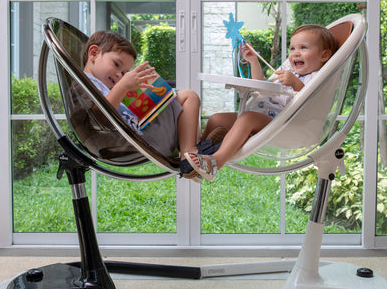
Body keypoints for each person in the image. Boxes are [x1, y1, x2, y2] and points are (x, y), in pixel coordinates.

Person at [185, 24, 338, 181]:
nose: (295, 53)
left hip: (281, 123)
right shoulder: (289, 71)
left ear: (324, 55)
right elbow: (264, 85)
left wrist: (296, 84)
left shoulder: (317, 77)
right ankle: (198, 160)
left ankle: (216, 162)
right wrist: (253, 61)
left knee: (247, 118)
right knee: (216, 119)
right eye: (292, 49)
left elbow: (310, 101)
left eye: (303, 48)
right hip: (262, 114)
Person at [82, 30, 209, 175]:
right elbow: (97, 119)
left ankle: (195, 146)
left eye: (124, 73)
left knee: (178, 96)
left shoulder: (99, 86)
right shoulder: (84, 85)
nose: (119, 75)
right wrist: (123, 86)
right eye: (117, 64)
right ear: (93, 53)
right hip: (142, 139)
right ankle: (190, 153)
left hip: (144, 133)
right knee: (188, 96)